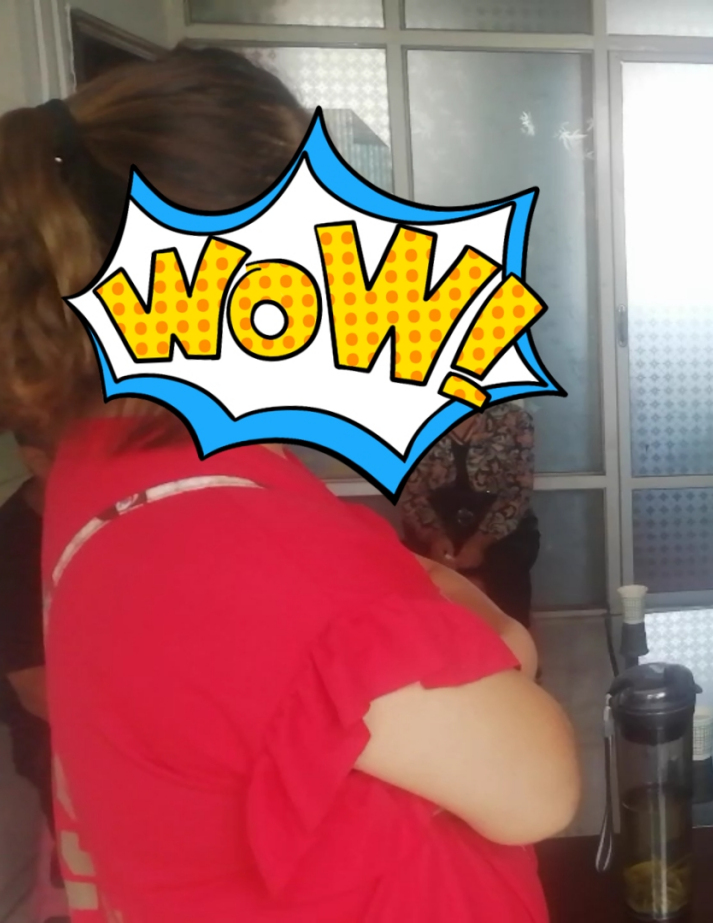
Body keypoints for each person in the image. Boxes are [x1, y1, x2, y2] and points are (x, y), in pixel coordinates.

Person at [0, 48, 579, 921]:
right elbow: (539, 787)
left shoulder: (111, 466)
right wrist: (490, 627)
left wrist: (441, 603)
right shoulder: (231, 550)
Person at [0, 430, 69, 922]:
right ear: (35, 458)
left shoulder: (117, 514)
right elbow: (38, 694)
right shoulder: (12, 548)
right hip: (50, 729)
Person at [398, 402, 541, 626]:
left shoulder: (514, 419)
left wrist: (480, 542)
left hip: (501, 530)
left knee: (505, 589)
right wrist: (435, 537)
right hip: (435, 524)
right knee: (425, 594)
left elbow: (518, 491)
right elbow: (412, 495)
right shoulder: (414, 421)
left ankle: (515, 644)